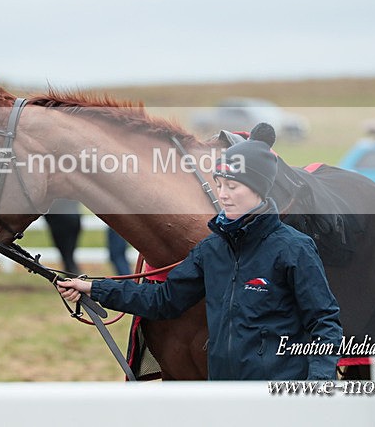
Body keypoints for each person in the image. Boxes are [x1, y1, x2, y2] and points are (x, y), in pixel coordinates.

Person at [58, 125, 343, 380]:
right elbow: (164, 300)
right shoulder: (211, 249)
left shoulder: (294, 248)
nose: (223, 195)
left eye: (232, 186)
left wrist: (317, 385)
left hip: (276, 396)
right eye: (219, 185)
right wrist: (95, 288)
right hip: (219, 395)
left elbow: (324, 322)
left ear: (258, 190)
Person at [44, 199, 82, 274]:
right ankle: (71, 268)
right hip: (71, 216)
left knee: (67, 254)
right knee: (68, 254)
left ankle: (70, 269)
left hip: (63, 216)